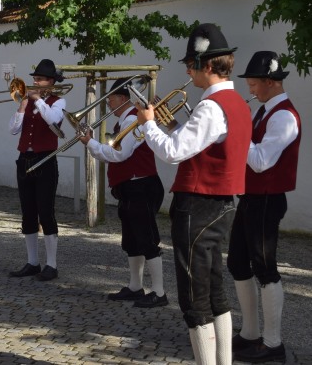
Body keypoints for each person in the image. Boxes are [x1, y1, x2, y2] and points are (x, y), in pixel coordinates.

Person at [136, 23, 251, 365]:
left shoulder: (211, 106)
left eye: (192, 63)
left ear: (208, 66)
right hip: (221, 205)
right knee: (215, 292)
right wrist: (168, 123)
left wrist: (147, 124)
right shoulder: (236, 103)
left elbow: (173, 152)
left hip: (198, 206)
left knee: (193, 299)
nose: (187, 70)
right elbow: (198, 143)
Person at [227, 51, 299, 364]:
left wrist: (236, 128)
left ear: (270, 82)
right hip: (252, 197)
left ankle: (273, 343)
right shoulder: (263, 111)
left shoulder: (284, 116)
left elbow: (260, 162)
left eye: (254, 84)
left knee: (265, 268)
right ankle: (251, 333)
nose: (251, 90)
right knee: (237, 263)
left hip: (268, 198)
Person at [79, 77, 167, 308]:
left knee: (147, 238)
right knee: (131, 239)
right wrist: (92, 144)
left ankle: (159, 291)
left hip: (142, 185)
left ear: (123, 98)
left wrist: (90, 144)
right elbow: (114, 152)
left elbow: (119, 154)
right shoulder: (126, 121)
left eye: (112, 99)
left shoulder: (135, 120)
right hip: (130, 186)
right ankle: (135, 286)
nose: (109, 103)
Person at [8, 59, 65, 281]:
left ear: (50, 82)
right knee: (28, 212)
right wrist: (22, 106)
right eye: (34, 78)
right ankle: (32, 262)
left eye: (39, 79)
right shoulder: (27, 102)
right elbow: (13, 130)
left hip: (46, 160)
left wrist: (39, 100)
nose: (34, 82)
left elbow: (52, 120)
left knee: (46, 212)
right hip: (25, 160)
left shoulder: (58, 102)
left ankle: (52, 265)